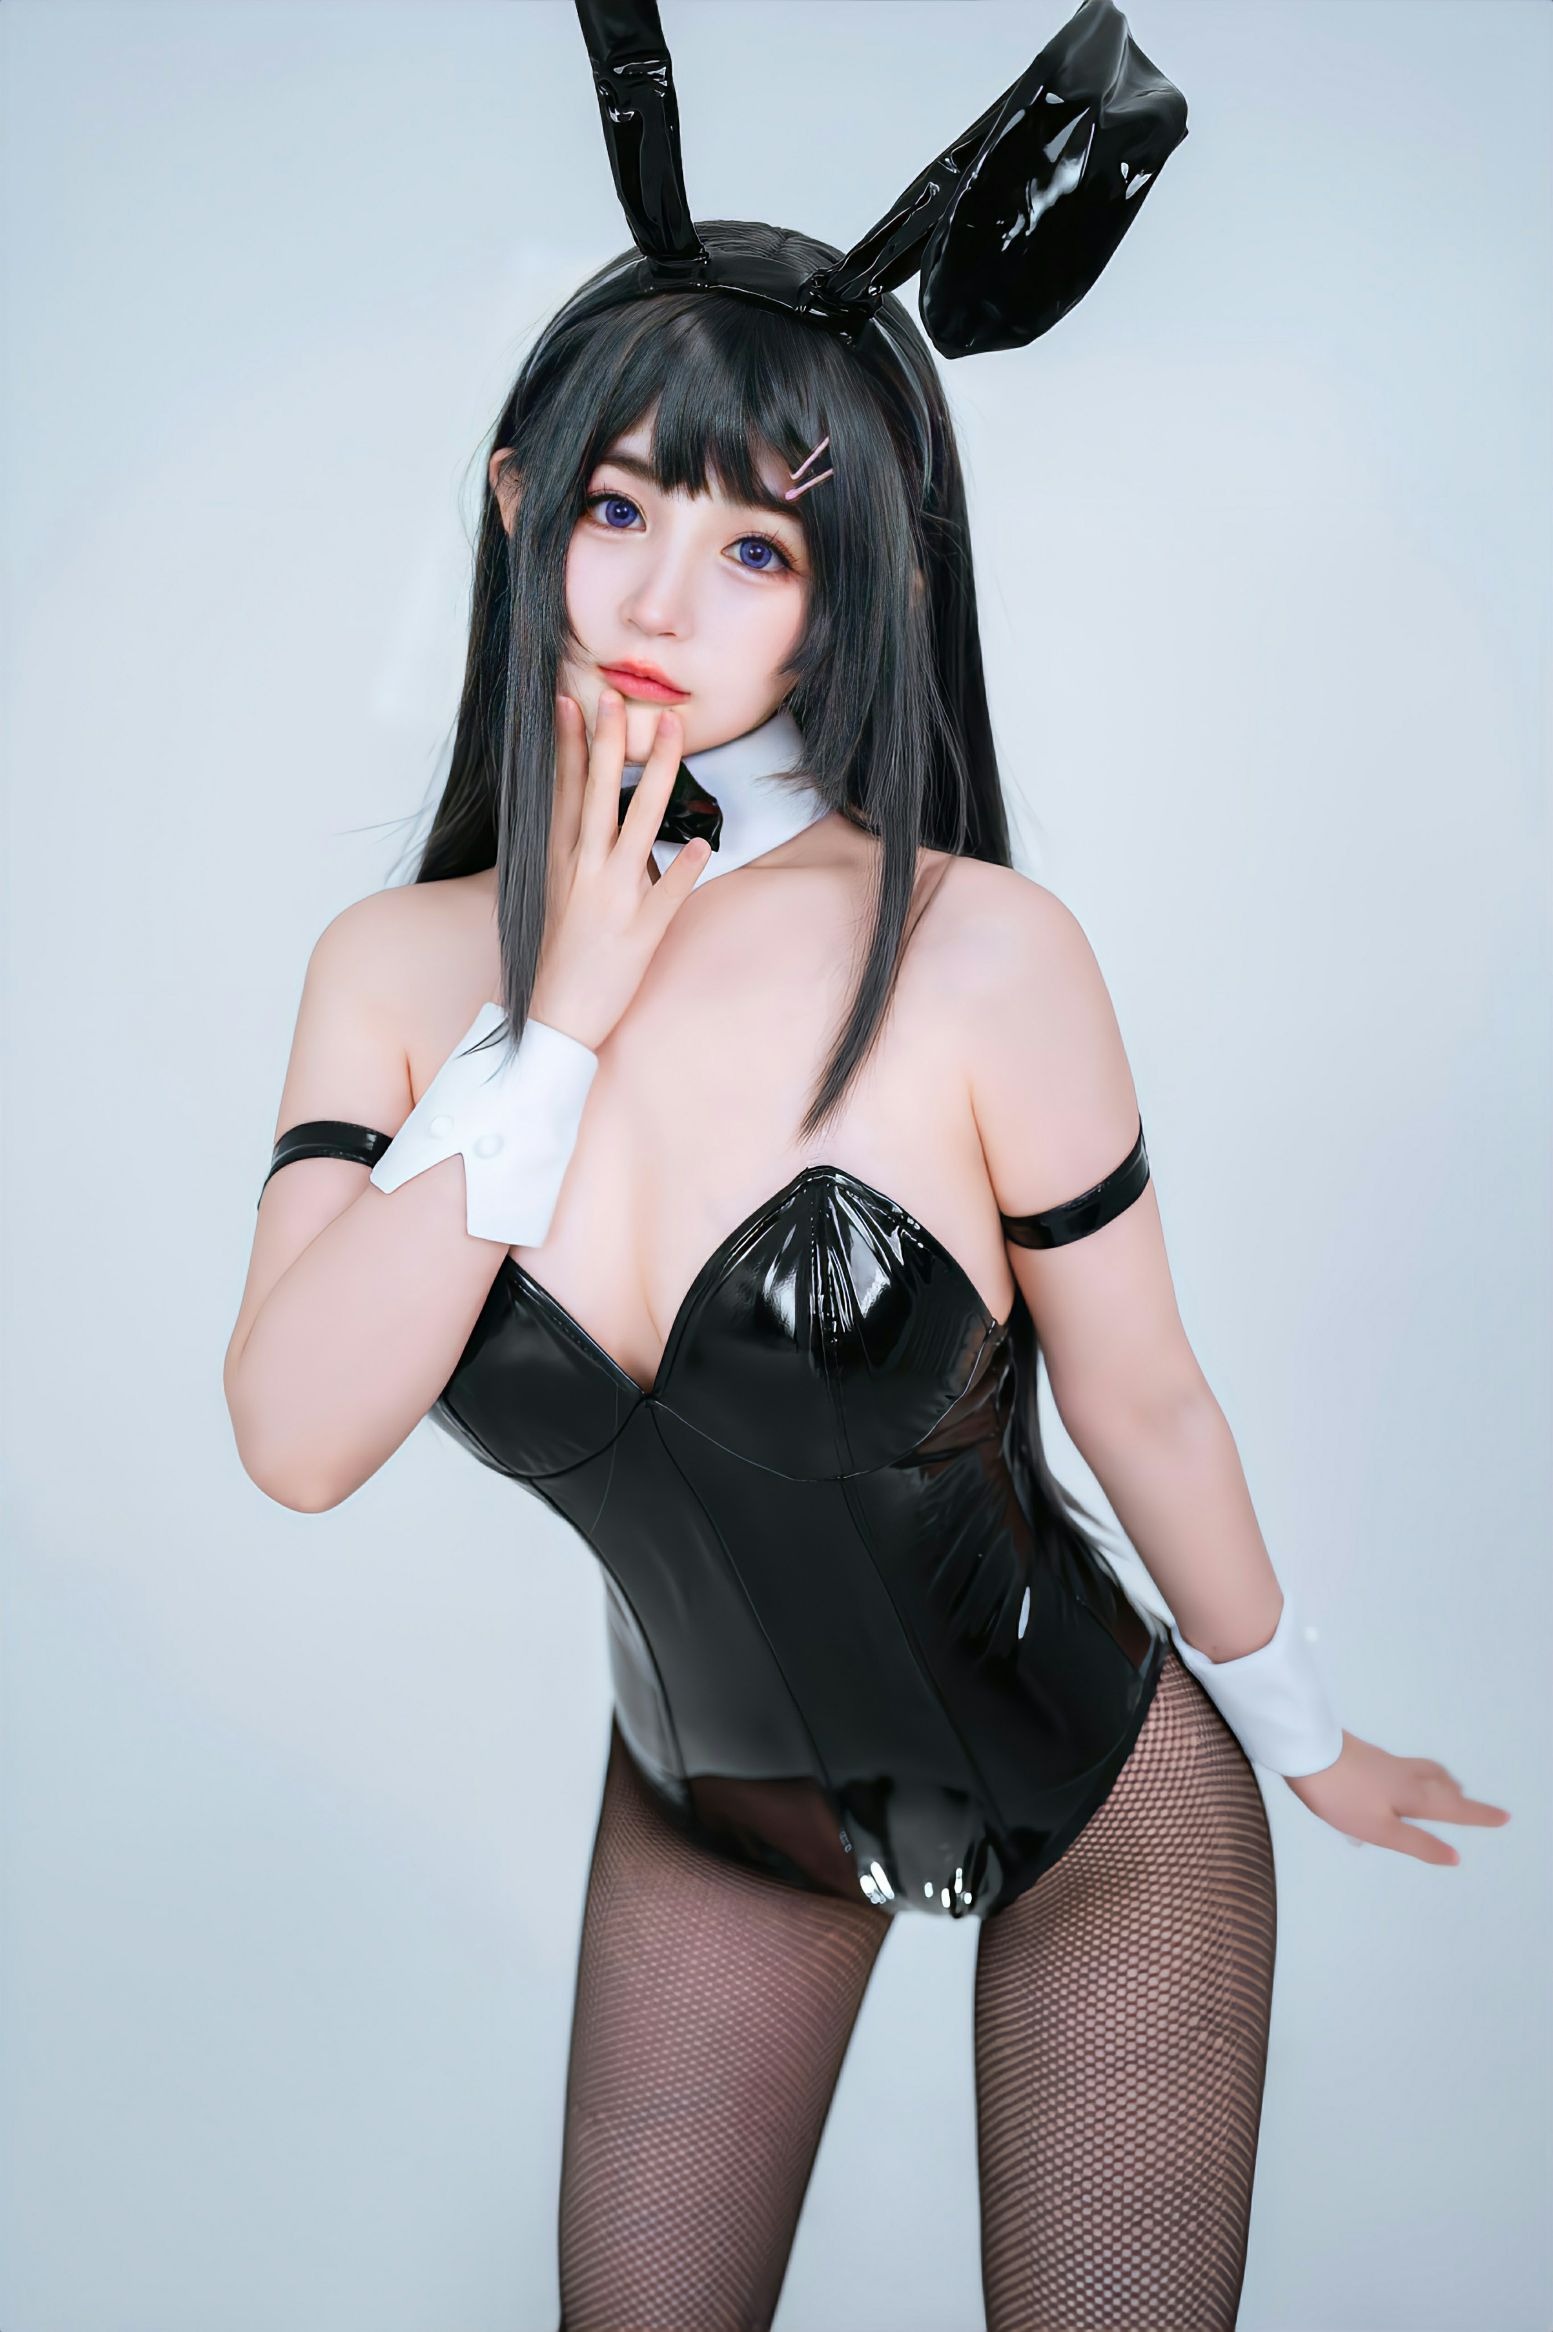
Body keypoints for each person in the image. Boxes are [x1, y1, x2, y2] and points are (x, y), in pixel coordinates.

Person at [222, 3, 1511, 2323]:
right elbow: (299, 1433)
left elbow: (1144, 1400)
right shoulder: (396, 975)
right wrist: (557, 1022)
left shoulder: (982, 955)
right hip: (707, 1811)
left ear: (857, 588)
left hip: (1104, 1818)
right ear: (522, 507)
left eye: (757, 549)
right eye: (621, 508)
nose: (660, 601)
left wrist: (1307, 1731)